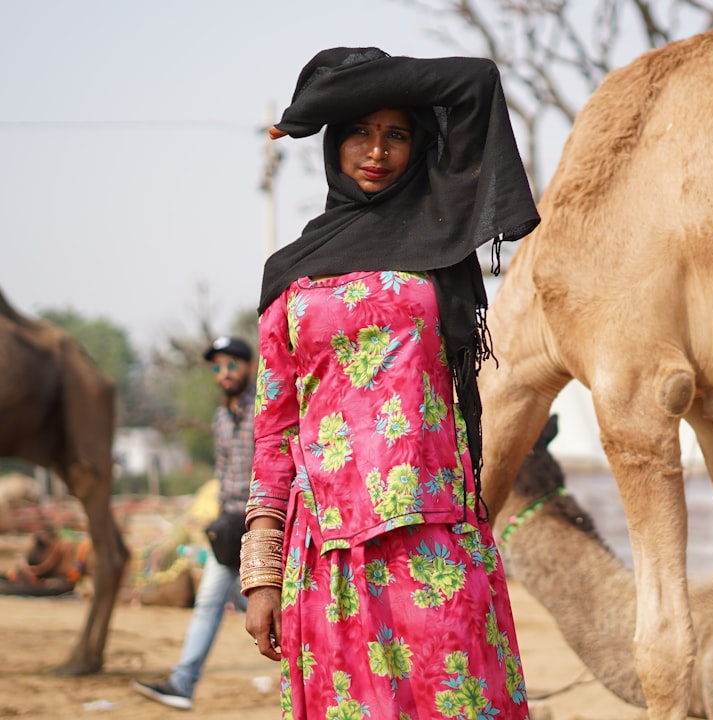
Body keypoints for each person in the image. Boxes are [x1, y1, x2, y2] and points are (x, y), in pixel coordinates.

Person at [242, 47, 540, 719]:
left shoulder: (439, 236)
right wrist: (261, 578)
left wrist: (319, 101)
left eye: (396, 134)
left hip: (434, 538)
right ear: (334, 145)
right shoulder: (289, 272)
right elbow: (274, 432)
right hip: (330, 555)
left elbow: (476, 81)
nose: (376, 150)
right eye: (357, 131)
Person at [133, 335, 257, 711]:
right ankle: (183, 683)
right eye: (217, 367)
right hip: (230, 527)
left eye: (231, 365)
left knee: (277, 609)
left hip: (264, 527)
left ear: (248, 367)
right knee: (209, 603)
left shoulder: (265, 407)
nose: (224, 374)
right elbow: (222, 473)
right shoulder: (221, 416)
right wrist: (217, 518)